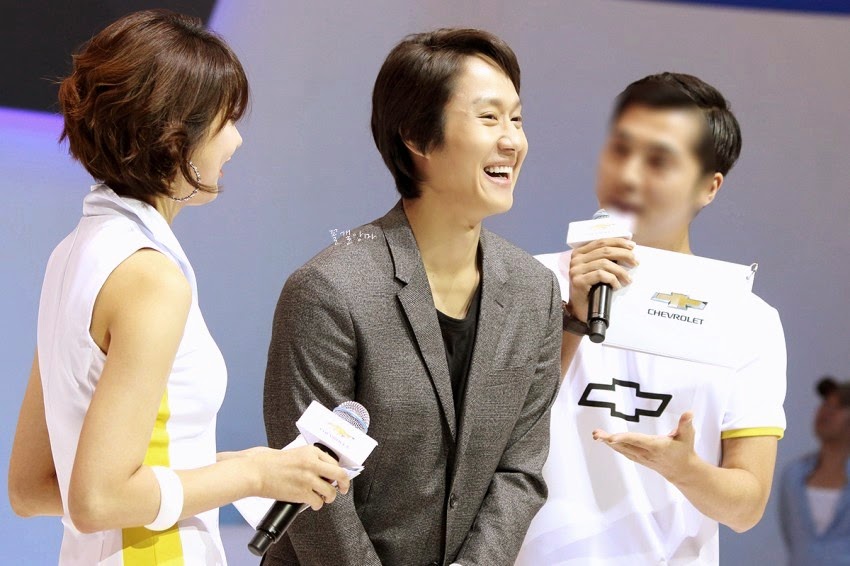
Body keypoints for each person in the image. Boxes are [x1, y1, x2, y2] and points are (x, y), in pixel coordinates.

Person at [7, 10, 349, 565]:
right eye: (226, 119)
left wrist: (250, 470)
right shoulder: (149, 277)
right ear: (173, 136)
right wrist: (252, 474)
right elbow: (98, 498)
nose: (236, 139)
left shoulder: (71, 255)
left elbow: (32, 488)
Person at [262, 28, 562, 566]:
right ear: (417, 138)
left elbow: (520, 469)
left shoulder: (533, 291)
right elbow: (312, 489)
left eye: (516, 119)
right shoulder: (331, 289)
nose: (512, 141)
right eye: (489, 118)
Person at [517, 72, 787, 565]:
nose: (630, 174)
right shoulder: (529, 280)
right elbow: (487, 437)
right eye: (620, 149)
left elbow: (746, 507)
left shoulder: (747, 319)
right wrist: (572, 319)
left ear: (708, 186)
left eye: (659, 160)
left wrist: (685, 470)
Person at [779, 377, 850, 565]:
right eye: (826, 403)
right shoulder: (793, 475)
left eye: (839, 406)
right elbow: (791, 536)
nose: (826, 411)